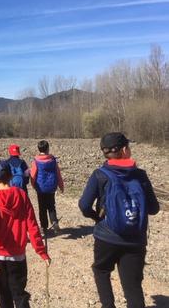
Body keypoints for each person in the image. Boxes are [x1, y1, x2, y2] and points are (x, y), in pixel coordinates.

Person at [79, 132, 159, 308]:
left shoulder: (99, 175)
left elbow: (84, 205)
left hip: (106, 236)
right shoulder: (140, 175)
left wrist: (97, 218)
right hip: (135, 239)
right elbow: (154, 209)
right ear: (124, 150)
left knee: (101, 270)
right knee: (132, 286)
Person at [0, 160, 50, 308]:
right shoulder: (21, 195)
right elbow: (32, 225)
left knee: (4, 297)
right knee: (19, 294)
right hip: (18, 257)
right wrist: (42, 252)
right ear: (11, 175)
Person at [30, 140, 64, 235]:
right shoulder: (53, 160)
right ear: (48, 149)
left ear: (38, 149)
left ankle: (43, 227)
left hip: (40, 188)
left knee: (42, 208)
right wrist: (61, 186)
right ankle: (54, 222)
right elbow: (58, 174)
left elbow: (33, 175)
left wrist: (33, 185)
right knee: (51, 206)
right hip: (51, 187)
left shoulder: (36, 161)